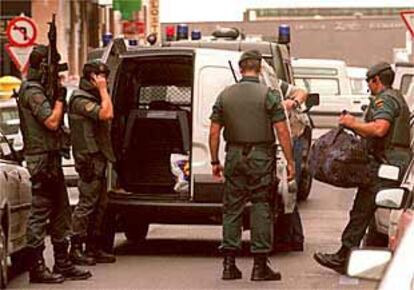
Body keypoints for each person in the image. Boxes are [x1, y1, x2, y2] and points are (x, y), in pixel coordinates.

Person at [313, 62, 412, 274]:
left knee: (363, 207)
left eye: (369, 83)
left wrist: (351, 124)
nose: (369, 87)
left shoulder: (384, 99)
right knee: (373, 211)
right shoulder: (397, 97)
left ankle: (344, 255)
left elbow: (379, 129)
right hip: (393, 162)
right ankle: (364, 254)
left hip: (386, 164)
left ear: (376, 80)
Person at [209, 49, 295, 281]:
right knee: (261, 206)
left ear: (240, 69)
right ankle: (259, 266)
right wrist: (290, 161)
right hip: (260, 156)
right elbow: (282, 130)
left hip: (234, 155)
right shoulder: (269, 95)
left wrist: (215, 160)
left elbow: (215, 131)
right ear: (259, 69)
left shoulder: (225, 95)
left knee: (232, 207)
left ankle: (229, 265)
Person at [18, 44, 91, 283]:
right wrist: (59, 99)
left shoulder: (41, 89)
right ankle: (36, 266)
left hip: (52, 158)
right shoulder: (31, 91)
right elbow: (51, 121)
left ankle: (63, 261)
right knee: (40, 213)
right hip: (40, 160)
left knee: (62, 212)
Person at [69, 60, 116, 265]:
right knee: (86, 205)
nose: (104, 80)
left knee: (100, 205)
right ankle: (76, 247)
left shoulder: (93, 97)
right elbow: (107, 114)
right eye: (101, 76)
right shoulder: (80, 99)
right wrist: (104, 90)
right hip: (88, 159)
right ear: (91, 78)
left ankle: (93, 246)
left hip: (98, 157)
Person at [273, 78, 308, 253]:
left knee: (289, 187)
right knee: (285, 189)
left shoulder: (272, 82)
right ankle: (292, 237)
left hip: (292, 138)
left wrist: (292, 102)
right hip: (279, 142)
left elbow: (301, 92)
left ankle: (292, 238)